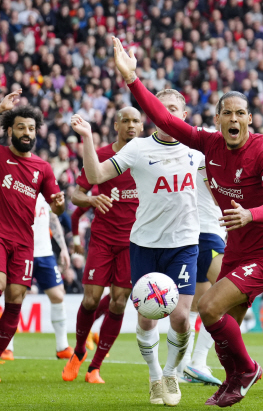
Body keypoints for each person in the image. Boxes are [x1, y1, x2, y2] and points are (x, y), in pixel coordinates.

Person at [110, 36, 263, 407]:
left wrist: (249, 214)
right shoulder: (207, 145)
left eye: (241, 113)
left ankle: (247, 371)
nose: (235, 119)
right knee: (224, 321)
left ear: (249, 119)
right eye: (228, 113)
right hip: (239, 248)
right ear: (218, 119)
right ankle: (233, 380)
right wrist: (132, 80)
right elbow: (163, 118)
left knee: (207, 308)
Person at [71, 98, 200, 406]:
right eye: (161, 107)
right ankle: (155, 377)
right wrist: (88, 138)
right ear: (153, 114)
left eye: (173, 108)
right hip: (144, 245)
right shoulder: (138, 148)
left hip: (184, 244)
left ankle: (171, 373)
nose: (166, 112)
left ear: (184, 115)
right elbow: (96, 176)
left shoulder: (198, 147)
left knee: (181, 317)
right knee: (147, 318)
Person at [0, 89, 65, 383]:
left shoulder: (43, 168)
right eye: (20, 126)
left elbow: (57, 206)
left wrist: (58, 205)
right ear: (9, 130)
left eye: (31, 128)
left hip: (24, 240)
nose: (26, 132)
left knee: (16, 298)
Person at [63, 107, 142, 385]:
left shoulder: (150, 157)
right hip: (103, 238)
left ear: (142, 127)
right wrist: (92, 200)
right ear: (116, 126)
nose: (131, 125)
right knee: (90, 300)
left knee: (119, 303)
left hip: (134, 244)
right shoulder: (104, 156)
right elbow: (76, 195)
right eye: (126, 121)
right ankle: (80, 350)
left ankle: (95, 368)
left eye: (136, 121)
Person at [0, 193, 73, 361]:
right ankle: (6, 347)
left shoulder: (46, 190)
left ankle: (62, 347)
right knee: (15, 297)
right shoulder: (19, 187)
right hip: (22, 251)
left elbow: (53, 219)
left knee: (58, 295)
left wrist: (62, 248)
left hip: (45, 254)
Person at [178, 149, 226, 387]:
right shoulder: (209, 153)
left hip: (197, 230)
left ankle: (185, 365)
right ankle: (197, 361)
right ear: (218, 117)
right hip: (208, 231)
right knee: (228, 296)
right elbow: (219, 195)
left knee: (195, 305)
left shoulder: (201, 152)